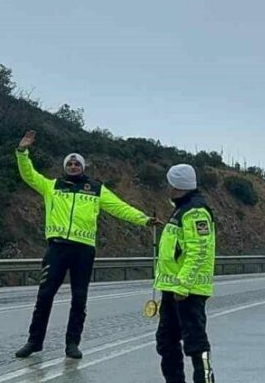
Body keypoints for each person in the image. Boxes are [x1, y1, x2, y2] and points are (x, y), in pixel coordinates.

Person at [13, 130, 157, 359]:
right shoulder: (52, 186)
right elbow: (29, 175)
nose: (72, 166)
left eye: (76, 163)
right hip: (57, 249)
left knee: (79, 298)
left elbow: (119, 207)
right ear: (64, 167)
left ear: (83, 167)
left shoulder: (96, 189)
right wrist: (22, 151)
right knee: (45, 296)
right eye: (69, 163)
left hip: (83, 250)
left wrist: (144, 219)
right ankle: (34, 341)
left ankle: (72, 344)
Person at [145, 164, 217, 383]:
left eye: (169, 183)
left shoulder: (195, 212)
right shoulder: (181, 210)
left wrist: (184, 284)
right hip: (172, 288)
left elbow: (199, 252)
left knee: (196, 343)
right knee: (166, 340)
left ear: (176, 185)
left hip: (189, 290)